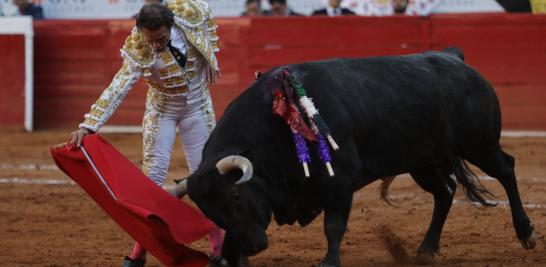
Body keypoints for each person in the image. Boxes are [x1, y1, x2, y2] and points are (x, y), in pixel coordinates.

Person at [68, 2, 225, 267]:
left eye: (161, 38)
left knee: (207, 177)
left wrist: (212, 61)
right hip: (162, 110)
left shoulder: (191, 16)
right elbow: (118, 87)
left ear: (172, 26)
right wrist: (89, 125)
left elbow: (208, 33)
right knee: (150, 180)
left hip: (198, 106)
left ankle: (218, 249)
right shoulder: (138, 46)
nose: (155, 45)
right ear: (141, 31)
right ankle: (139, 252)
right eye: (149, 39)